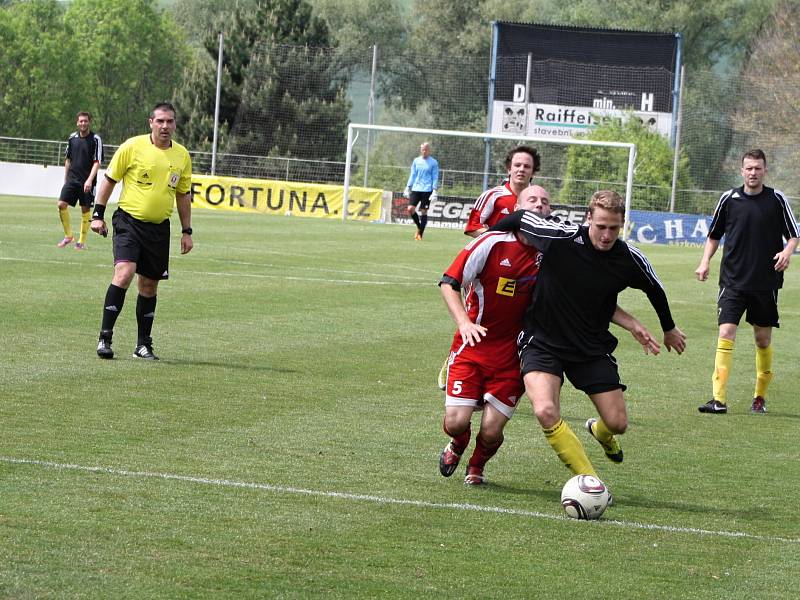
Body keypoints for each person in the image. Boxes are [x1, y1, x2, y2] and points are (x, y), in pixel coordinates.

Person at [438, 186, 660, 486]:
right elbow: (449, 282)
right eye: (531, 200)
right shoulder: (492, 242)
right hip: (475, 346)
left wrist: (632, 322)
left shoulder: (557, 249)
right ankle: (458, 442)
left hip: (514, 355)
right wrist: (464, 323)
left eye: (544, 201)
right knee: (456, 422)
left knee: (491, 430)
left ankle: (477, 466)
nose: (538, 205)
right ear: (518, 209)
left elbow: (589, 299)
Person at [493, 190, 686, 483]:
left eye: (613, 228)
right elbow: (521, 217)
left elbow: (655, 289)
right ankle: (590, 482)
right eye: (601, 226)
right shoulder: (560, 236)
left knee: (618, 424)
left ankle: (600, 432)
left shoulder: (628, 258)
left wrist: (668, 328)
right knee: (545, 410)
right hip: (543, 341)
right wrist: (488, 237)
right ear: (588, 219)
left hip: (590, 346)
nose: (607, 235)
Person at [695, 149, 799, 415]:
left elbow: (794, 235)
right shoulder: (729, 199)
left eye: (758, 168)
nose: (753, 173)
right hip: (732, 282)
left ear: (764, 170)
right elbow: (714, 235)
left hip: (765, 282)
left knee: (762, 340)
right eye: (749, 168)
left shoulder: (776, 199)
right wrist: (705, 261)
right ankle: (718, 400)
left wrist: (787, 252)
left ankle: (759, 398)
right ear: (741, 171)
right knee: (726, 332)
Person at [90, 102, 193, 360]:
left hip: (159, 229)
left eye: (169, 121)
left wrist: (187, 230)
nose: (165, 126)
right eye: (160, 121)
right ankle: (105, 338)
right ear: (151, 122)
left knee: (148, 286)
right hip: (129, 222)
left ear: (175, 124)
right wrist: (97, 215)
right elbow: (109, 180)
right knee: (124, 273)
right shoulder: (132, 147)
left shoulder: (181, 156)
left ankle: (143, 345)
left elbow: (183, 195)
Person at [463, 145, 541, 238]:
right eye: (517, 165)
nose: (521, 169)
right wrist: (501, 239)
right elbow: (472, 227)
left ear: (533, 173)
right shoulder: (492, 196)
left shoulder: (540, 201)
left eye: (527, 166)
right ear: (509, 169)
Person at [57, 112, 103, 249]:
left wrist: (89, 180)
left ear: (89, 122)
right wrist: (65, 179)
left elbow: (97, 162)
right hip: (72, 179)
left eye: (85, 121)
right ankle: (68, 236)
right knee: (61, 204)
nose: (83, 123)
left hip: (87, 181)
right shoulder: (72, 138)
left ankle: (81, 242)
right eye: (80, 121)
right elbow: (68, 159)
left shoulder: (95, 139)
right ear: (77, 123)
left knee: (85, 209)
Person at [403, 142, 439, 240]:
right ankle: (419, 228)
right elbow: (413, 174)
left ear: (429, 150)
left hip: (427, 190)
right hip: (416, 188)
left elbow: (435, 177)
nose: (424, 151)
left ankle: (420, 235)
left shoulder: (433, 162)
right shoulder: (416, 161)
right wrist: (408, 187)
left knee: (424, 212)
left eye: (426, 149)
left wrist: (435, 190)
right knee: (410, 209)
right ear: (420, 150)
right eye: (422, 149)